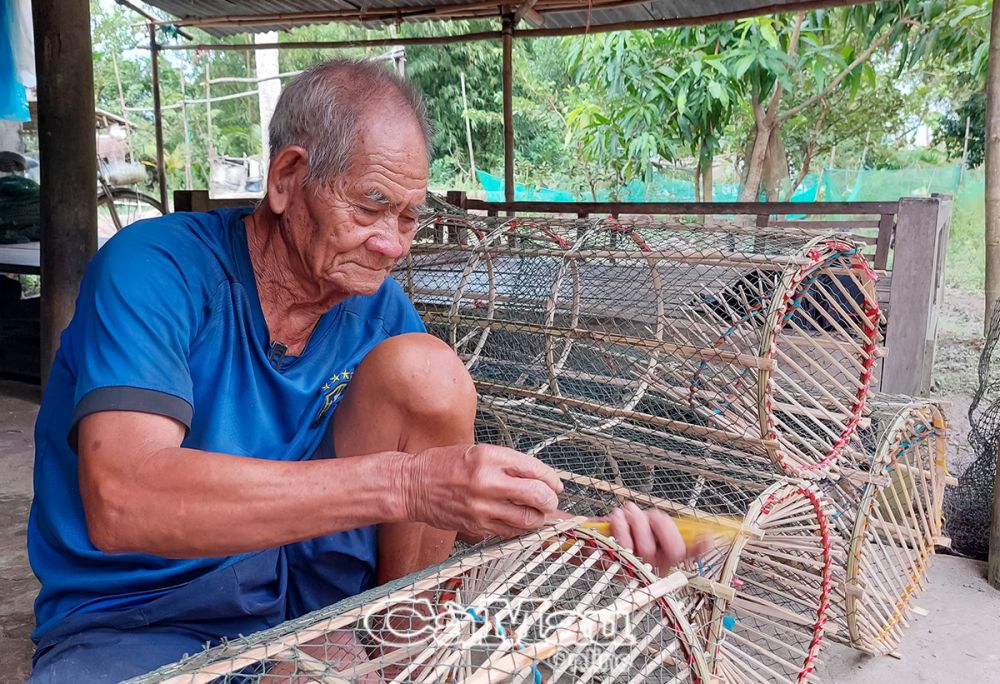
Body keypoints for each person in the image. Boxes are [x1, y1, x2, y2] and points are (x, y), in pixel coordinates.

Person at [25, 60, 693, 682]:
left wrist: (593, 542)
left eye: (408, 219)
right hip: (138, 614)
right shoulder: (157, 268)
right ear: (287, 179)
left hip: (300, 591)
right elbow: (125, 501)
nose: (392, 244)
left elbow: (441, 499)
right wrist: (407, 485)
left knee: (429, 374)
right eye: (371, 207)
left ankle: (402, 646)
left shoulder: (376, 309)